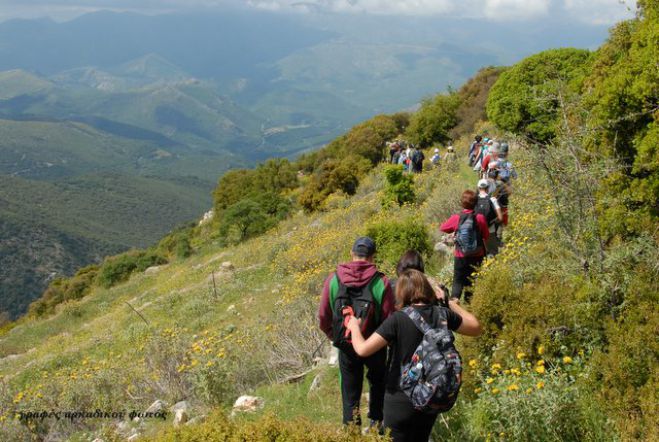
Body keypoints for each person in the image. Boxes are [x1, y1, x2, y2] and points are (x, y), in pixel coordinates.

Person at [346, 269, 481, 442]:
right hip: (430, 397)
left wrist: (355, 327)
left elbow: (363, 349)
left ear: (401, 292)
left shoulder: (397, 319)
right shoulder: (442, 314)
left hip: (400, 399)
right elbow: (476, 327)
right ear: (427, 289)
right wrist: (447, 302)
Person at [318, 237, 395, 429]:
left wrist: (335, 336)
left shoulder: (334, 279)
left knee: (349, 390)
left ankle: (352, 430)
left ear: (352, 254)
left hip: (346, 345)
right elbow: (389, 319)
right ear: (372, 256)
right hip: (374, 344)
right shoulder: (381, 282)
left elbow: (323, 316)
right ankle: (377, 425)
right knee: (378, 383)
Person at [440, 190, 489, 302]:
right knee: (471, 283)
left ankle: (455, 309)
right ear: (475, 203)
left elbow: (443, 228)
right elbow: (485, 236)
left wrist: (453, 232)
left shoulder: (457, 218)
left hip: (460, 255)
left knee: (457, 282)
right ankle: (469, 308)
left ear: (462, 203)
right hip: (477, 255)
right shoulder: (480, 218)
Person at [475, 179, 503, 256]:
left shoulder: (474, 200)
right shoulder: (493, 200)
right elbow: (500, 218)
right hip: (490, 231)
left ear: (478, 188)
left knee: (479, 254)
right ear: (488, 188)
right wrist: (492, 222)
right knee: (493, 253)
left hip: (477, 232)